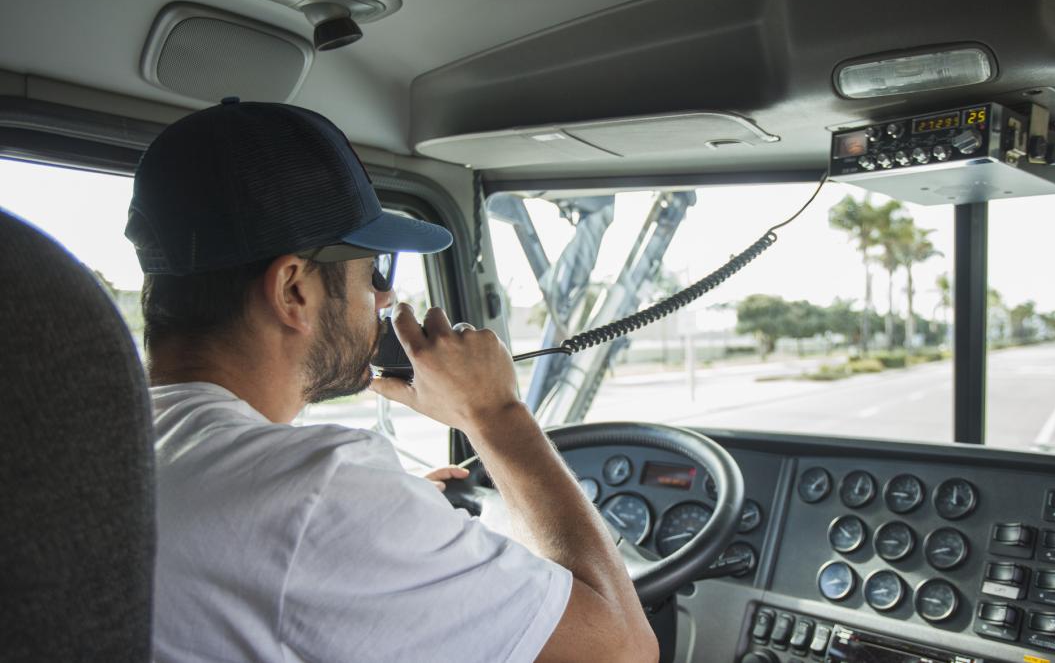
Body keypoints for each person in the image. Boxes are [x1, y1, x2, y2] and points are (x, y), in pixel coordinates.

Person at [125, 99, 657, 662]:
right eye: (372, 270)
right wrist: (495, 413)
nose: (384, 297)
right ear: (292, 291)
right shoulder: (321, 495)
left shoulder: (106, 445)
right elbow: (623, 649)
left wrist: (397, 524)